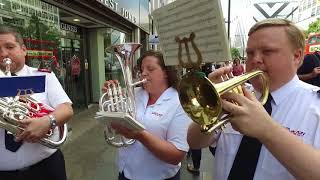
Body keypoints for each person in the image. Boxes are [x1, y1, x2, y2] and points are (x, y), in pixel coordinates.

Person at [187, 18, 320, 180]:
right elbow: (194, 141)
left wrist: (267, 130)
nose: (255, 59)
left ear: (297, 57)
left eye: (268, 51)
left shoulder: (315, 105)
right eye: (250, 53)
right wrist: (211, 104)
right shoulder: (237, 94)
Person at [102, 50, 191, 180]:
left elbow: (176, 155)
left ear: (166, 73)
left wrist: (140, 135)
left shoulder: (179, 102)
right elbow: (115, 124)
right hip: (125, 173)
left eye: (150, 69)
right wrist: (110, 97)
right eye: (142, 69)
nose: (143, 73)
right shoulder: (135, 93)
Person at [0, 26, 73, 180]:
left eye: (9, 47)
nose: (3, 53)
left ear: (24, 50)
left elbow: (66, 109)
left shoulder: (43, 76)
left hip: (47, 168)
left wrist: (48, 121)